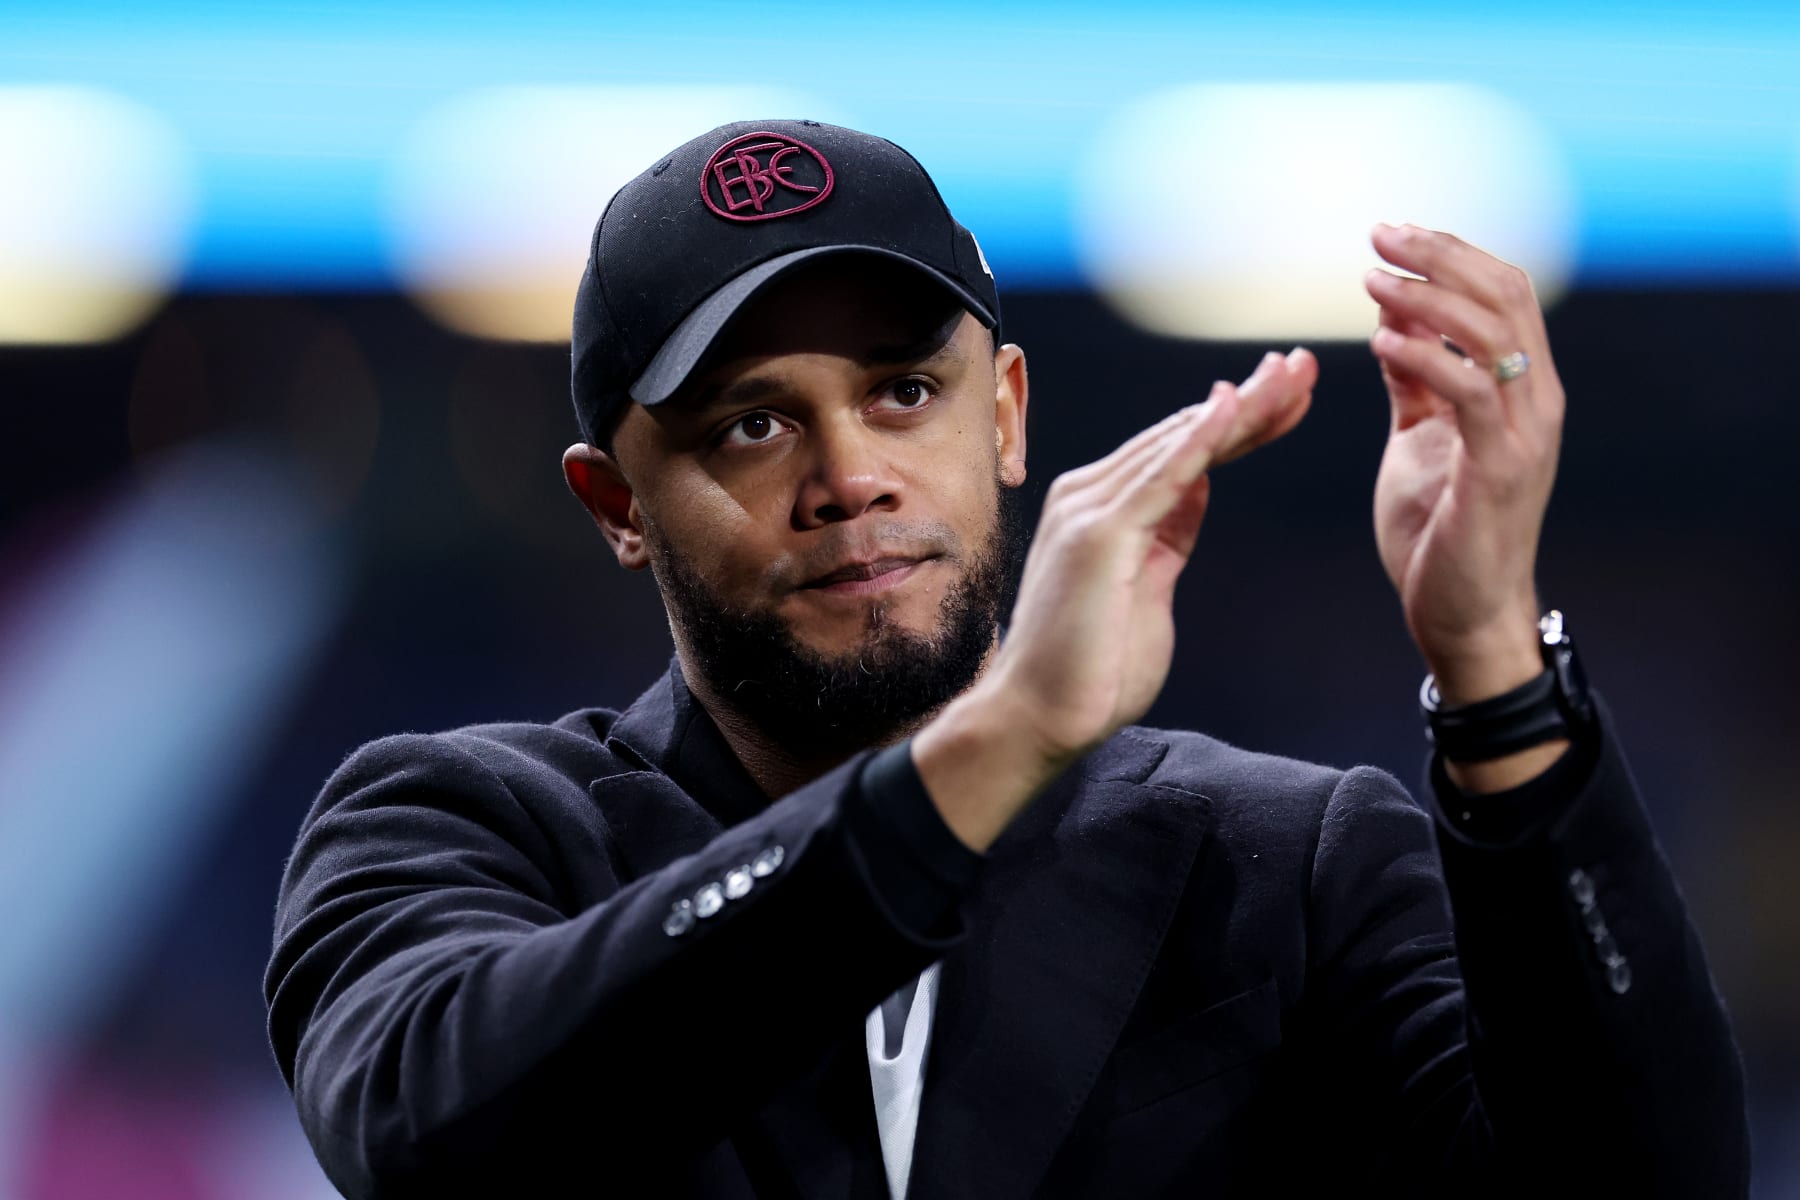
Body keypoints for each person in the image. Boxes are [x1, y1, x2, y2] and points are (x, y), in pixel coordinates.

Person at [264, 120, 1747, 1198]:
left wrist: (1492, 653)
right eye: (752, 425)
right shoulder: (462, 826)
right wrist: (1006, 736)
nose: (851, 475)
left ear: (1008, 416)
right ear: (617, 508)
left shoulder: (1283, 860)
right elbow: (434, 1134)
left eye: (905, 390)